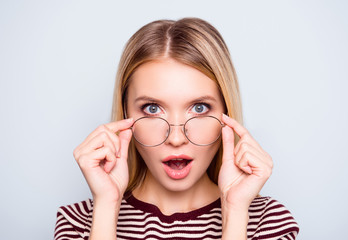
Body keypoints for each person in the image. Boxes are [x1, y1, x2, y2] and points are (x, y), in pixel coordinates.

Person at [54, 18, 299, 240]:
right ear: (125, 114)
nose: (176, 138)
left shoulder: (266, 223)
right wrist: (107, 206)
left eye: (200, 108)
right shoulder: (80, 223)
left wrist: (235, 212)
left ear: (226, 115)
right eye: (152, 108)